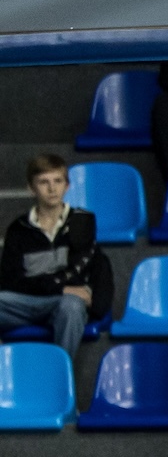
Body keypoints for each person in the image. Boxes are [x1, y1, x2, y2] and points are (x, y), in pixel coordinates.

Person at [0, 154, 113, 362]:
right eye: (44, 182)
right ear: (31, 189)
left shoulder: (82, 221)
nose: (52, 188)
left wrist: (68, 293)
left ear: (67, 186)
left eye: (58, 181)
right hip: (28, 304)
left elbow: (82, 273)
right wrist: (59, 287)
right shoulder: (18, 229)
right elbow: (10, 281)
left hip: (65, 304)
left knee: (71, 305)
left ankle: (59, 375)